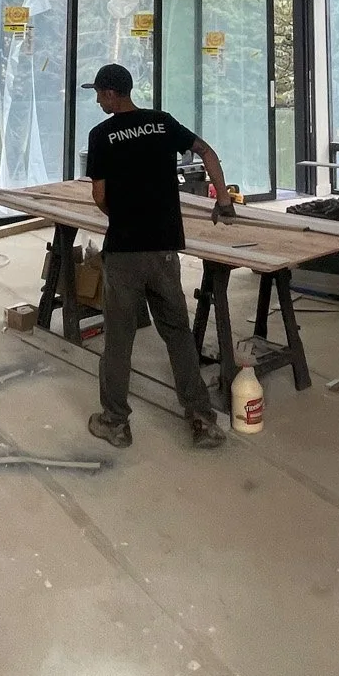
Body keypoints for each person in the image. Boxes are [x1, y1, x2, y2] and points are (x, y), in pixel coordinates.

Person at [81, 63, 233, 451]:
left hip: (125, 251)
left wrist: (122, 218)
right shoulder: (162, 123)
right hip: (164, 249)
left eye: (98, 93)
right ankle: (202, 420)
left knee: (118, 340)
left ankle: (115, 422)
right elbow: (206, 151)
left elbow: (99, 195)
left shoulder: (101, 135)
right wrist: (223, 198)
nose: (97, 100)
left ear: (111, 93)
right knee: (178, 333)